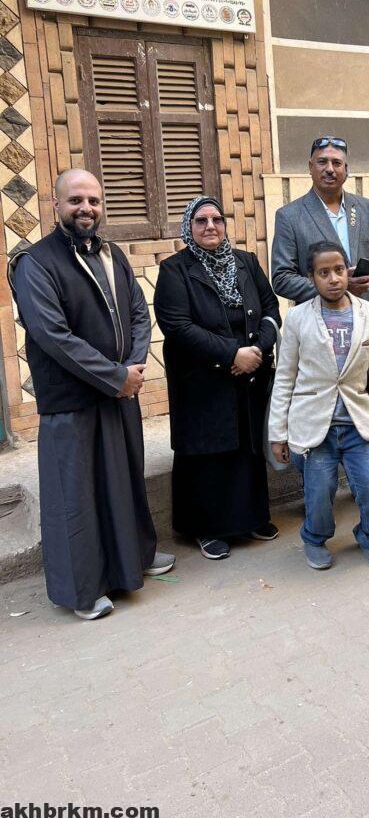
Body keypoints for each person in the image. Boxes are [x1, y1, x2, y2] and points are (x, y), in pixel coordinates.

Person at [8, 169, 174, 621]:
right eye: (76, 200)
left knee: (122, 484)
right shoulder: (34, 263)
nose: (86, 208)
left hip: (118, 394)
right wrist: (114, 376)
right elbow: (52, 335)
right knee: (75, 498)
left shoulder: (112, 253)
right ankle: (82, 591)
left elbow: (138, 312)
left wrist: (132, 368)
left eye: (94, 201)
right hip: (72, 400)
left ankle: (132, 562)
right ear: (56, 205)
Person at [154, 197, 281, 561]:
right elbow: (177, 326)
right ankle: (206, 528)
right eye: (201, 220)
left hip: (248, 374)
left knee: (246, 450)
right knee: (208, 455)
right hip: (202, 380)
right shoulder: (175, 270)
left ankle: (250, 519)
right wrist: (231, 354)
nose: (210, 226)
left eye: (217, 219)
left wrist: (257, 351)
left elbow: (270, 309)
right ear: (188, 228)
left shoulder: (246, 262)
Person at [268, 241, 369, 570]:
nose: (333, 279)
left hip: (357, 425)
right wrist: (278, 434)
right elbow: (285, 377)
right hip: (316, 427)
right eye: (323, 273)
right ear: (312, 277)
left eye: (339, 270)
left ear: (348, 270)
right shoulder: (297, 318)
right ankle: (315, 538)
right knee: (319, 492)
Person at [270, 136, 369, 362]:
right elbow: (282, 278)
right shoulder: (290, 216)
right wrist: (338, 286)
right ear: (310, 167)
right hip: (320, 330)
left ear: (346, 169)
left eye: (337, 163)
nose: (330, 169)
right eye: (322, 162)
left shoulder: (368, 209)